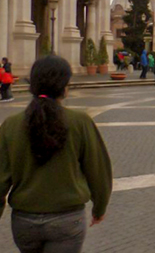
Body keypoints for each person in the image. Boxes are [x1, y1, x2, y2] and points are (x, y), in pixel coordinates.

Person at [0, 55, 112, 253]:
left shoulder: (11, 125)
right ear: (65, 86)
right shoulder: (80, 122)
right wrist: (99, 208)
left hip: (24, 220)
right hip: (66, 219)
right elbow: (98, 170)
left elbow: (1, 178)